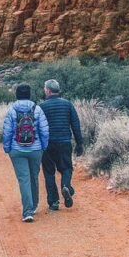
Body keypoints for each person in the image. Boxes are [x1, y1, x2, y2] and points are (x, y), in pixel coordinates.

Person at [2, 83, 49, 222]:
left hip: (17, 150)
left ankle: (27, 211)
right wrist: (43, 147)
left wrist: (7, 148)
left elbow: (7, 132)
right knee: (34, 177)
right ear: (29, 94)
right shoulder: (37, 109)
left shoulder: (11, 110)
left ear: (17, 95)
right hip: (36, 149)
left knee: (24, 179)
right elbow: (44, 130)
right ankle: (33, 206)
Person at [39, 79, 84, 210]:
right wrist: (79, 143)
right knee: (66, 168)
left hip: (47, 144)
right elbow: (75, 124)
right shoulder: (68, 104)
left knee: (49, 172)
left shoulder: (41, 106)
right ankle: (65, 185)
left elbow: (37, 127)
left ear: (48, 90)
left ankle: (53, 202)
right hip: (64, 142)